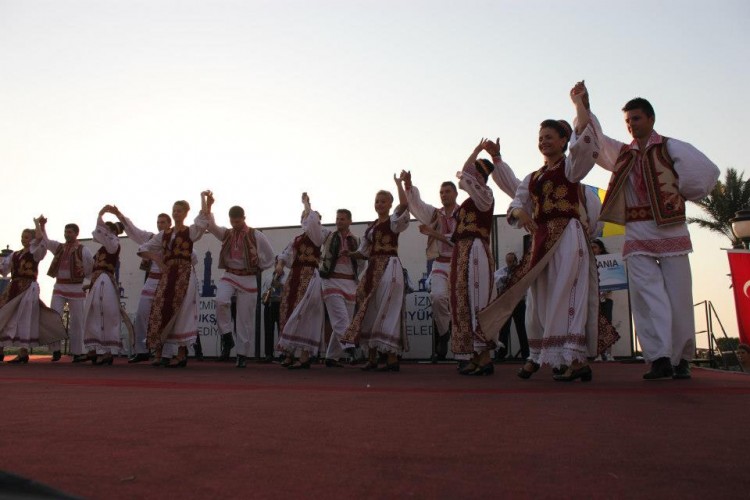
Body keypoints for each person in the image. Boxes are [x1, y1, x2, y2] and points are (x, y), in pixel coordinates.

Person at [478, 83, 618, 382]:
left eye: (549, 137)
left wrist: (580, 105)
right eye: (540, 138)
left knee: (567, 293)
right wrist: (520, 212)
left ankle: (573, 357)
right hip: (542, 239)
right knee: (538, 297)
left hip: (568, 235)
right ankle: (539, 353)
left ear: (564, 140)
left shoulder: (570, 169)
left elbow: (584, 148)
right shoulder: (533, 178)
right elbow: (516, 201)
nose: (543, 142)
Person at [585, 83, 720, 380]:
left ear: (651, 118)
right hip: (637, 230)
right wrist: (583, 107)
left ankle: (681, 358)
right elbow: (596, 140)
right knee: (647, 296)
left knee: (679, 296)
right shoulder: (623, 153)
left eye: (636, 118)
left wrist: (679, 194)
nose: (631, 125)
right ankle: (659, 357)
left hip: (671, 229)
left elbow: (706, 172)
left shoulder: (671, 147)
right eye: (627, 121)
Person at [341, 177, 410, 371]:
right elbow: (363, 252)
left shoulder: (393, 222)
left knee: (389, 308)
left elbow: (405, 205)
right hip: (373, 268)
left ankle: (391, 358)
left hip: (390, 266)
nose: (379, 204)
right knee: (369, 308)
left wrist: (399, 184)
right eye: (377, 201)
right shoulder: (370, 228)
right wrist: (349, 254)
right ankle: (372, 358)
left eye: (383, 201)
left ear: (390, 204)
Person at [201, 192, 275, 367]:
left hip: (248, 278)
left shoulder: (256, 235)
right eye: (232, 221)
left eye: (238, 221)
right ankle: (227, 336)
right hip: (230, 275)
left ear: (244, 218)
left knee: (244, 320)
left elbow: (270, 257)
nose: (235, 224)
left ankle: (242, 355)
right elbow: (211, 226)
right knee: (220, 300)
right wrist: (208, 205)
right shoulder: (227, 233)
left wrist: (259, 267)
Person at [138, 196, 208, 367]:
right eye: (174, 210)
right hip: (168, 274)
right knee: (161, 308)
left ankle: (181, 354)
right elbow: (143, 249)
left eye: (179, 211)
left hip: (185, 274)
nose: (176, 213)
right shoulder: (164, 234)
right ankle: (160, 352)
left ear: (185, 213)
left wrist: (205, 200)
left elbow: (202, 221)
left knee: (183, 312)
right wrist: (157, 259)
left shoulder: (190, 232)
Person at [449, 140, 498, 376]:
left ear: (481, 176)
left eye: (475, 172)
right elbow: (465, 175)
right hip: (462, 250)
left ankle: (484, 357)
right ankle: (475, 356)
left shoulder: (485, 195)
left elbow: (464, 175)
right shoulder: (470, 200)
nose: (470, 175)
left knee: (478, 299)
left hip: (476, 248)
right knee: (464, 300)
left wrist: (476, 153)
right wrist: (475, 151)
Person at [402, 172, 458, 361]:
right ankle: (444, 333)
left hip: (459, 263)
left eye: (448, 191)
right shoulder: (436, 214)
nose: (444, 195)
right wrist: (408, 185)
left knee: (460, 303)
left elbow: (457, 240)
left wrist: (432, 233)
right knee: (437, 297)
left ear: (456, 193)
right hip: (440, 262)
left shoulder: (463, 213)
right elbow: (417, 205)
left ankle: (465, 348)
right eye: (441, 192)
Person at [112, 207, 174, 363]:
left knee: (165, 316)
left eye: (163, 222)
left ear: (170, 224)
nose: (160, 225)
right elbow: (133, 230)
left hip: (167, 281)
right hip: (152, 280)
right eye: (158, 222)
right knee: (141, 314)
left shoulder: (175, 239)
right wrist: (119, 214)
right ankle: (142, 351)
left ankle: (166, 354)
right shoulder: (151, 238)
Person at [305, 203, 362, 368]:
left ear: (350, 221)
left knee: (346, 320)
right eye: (337, 219)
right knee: (340, 318)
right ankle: (351, 348)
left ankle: (331, 356)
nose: (339, 222)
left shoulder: (356, 240)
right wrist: (307, 207)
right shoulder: (327, 235)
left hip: (350, 282)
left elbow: (361, 263)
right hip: (331, 281)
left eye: (342, 219)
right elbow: (314, 228)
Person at [0, 220, 65, 363]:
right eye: (22, 237)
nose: (23, 239)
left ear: (33, 239)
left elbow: (42, 243)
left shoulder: (35, 253)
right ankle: (1, 349)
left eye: (26, 237)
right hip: (14, 288)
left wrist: (38, 226)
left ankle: (23, 352)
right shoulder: (15, 255)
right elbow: (3, 269)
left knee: (25, 318)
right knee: (4, 314)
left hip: (29, 288)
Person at [274, 193, 325, 370]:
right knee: (288, 310)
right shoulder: (296, 239)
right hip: (295, 275)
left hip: (309, 276)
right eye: (303, 216)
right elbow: (285, 254)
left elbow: (313, 224)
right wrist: (280, 265)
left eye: (308, 217)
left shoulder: (319, 235)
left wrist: (307, 204)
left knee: (305, 312)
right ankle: (288, 353)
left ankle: (304, 356)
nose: (305, 219)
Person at [39, 219, 94, 362]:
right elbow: (46, 241)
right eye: (65, 232)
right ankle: (55, 350)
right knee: (54, 316)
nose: (66, 234)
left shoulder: (83, 249)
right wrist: (42, 226)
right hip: (59, 287)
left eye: (69, 232)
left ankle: (77, 352)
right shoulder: (59, 247)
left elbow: (90, 267)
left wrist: (85, 281)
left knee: (77, 320)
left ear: (76, 234)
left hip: (76, 288)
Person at [81, 207, 124, 365]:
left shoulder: (114, 243)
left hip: (105, 280)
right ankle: (93, 349)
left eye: (110, 230)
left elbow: (103, 235)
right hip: (97, 281)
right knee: (92, 313)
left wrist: (101, 216)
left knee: (105, 313)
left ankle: (107, 352)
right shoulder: (101, 249)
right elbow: (92, 268)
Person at [494, 252, 529, 361]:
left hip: (519, 303)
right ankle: (501, 355)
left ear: (515, 261)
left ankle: (526, 354)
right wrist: (503, 278)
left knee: (521, 329)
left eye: (511, 261)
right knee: (504, 329)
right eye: (507, 261)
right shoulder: (503, 271)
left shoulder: (521, 271)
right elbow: (494, 277)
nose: (509, 264)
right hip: (506, 303)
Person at [591, 238, 614, 361]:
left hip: (606, 298)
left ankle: (608, 353)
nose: (592, 249)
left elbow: (614, 279)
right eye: (591, 247)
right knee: (594, 326)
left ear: (600, 249)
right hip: (592, 299)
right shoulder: (587, 262)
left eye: (595, 247)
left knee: (607, 326)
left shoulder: (608, 261)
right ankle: (597, 353)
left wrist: (607, 290)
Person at [260, 259, 286, 363]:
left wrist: (280, 286)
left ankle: (282, 354)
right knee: (268, 330)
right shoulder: (268, 277)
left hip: (282, 305)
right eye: (276, 263)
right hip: (270, 305)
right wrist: (265, 296)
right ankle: (268, 354)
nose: (277, 265)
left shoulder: (287, 277)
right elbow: (263, 292)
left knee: (282, 331)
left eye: (280, 263)